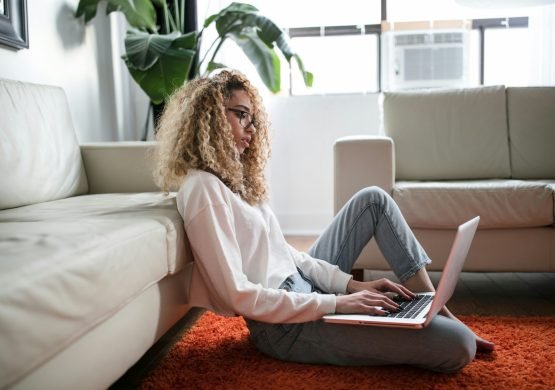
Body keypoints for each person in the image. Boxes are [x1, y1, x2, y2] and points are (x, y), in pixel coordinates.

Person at [153, 70, 493, 373]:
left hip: (304, 288)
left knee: (372, 199)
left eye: (253, 118)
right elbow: (237, 295)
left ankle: (434, 307)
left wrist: (350, 286)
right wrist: (336, 303)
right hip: (283, 326)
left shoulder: (234, 181)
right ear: (209, 118)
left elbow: (289, 255)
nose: (251, 129)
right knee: (458, 345)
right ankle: (436, 320)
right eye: (241, 115)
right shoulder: (202, 189)